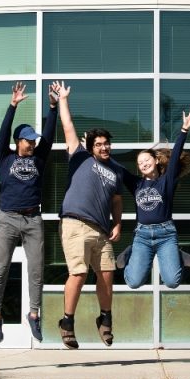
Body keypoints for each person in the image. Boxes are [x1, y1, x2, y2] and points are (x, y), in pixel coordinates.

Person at [55, 81, 130, 349]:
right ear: (90, 146)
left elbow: (117, 200)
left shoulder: (116, 171)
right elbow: (68, 127)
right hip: (75, 224)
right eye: (99, 144)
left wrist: (118, 223)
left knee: (107, 273)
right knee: (78, 274)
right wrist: (63, 99)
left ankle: (105, 318)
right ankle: (67, 321)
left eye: (107, 144)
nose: (104, 147)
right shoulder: (80, 157)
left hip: (101, 230)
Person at [0, 81, 58, 344]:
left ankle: (33, 314)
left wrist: (52, 107)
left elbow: (50, 136)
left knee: (36, 269)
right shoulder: (5, 157)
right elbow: (2, 133)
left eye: (33, 141)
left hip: (33, 218)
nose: (32, 144)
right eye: (28, 140)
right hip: (7, 218)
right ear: (19, 141)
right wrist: (13, 105)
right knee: (2, 268)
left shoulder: (38, 158)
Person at [116, 111, 190, 289]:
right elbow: (118, 168)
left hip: (166, 235)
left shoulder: (166, 182)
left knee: (172, 281)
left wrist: (184, 129)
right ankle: (131, 252)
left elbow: (175, 156)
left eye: (146, 160)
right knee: (133, 282)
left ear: (155, 161)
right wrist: (91, 151)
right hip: (142, 236)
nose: (143, 164)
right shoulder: (136, 184)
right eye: (140, 163)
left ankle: (176, 254)